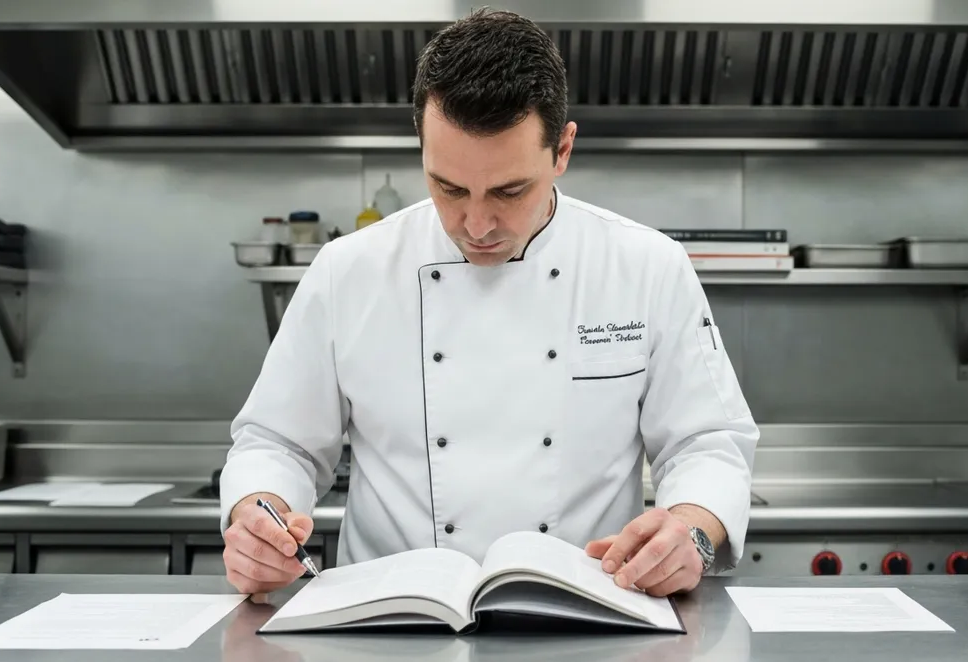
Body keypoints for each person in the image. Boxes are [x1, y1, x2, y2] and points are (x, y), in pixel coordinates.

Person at [218, 8, 759, 598]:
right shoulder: (348, 270)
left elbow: (707, 442)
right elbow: (279, 442)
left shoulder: (645, 266)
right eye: (448, 187)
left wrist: (691, 531)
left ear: (562, 150)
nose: (476, 225)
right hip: (388, 621)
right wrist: (259, 515)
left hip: (591, 615)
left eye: (509, 190)